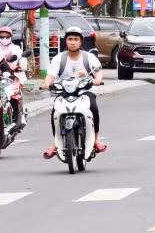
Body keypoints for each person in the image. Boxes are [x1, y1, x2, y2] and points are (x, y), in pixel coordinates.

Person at [40, 26, 107, 159]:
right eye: (70, 39)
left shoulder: (89, 58)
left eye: (76, 39)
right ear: (66, 41)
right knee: (55, 112)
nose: (73, 42)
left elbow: (98, 74)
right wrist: (47, 83)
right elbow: (51, 75)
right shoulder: (59, 58)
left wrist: (97, 80)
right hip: (64, 92)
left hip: (85, 91)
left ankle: (96, 140)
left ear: (81, 42)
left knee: (93, 107)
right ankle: (56, 143)